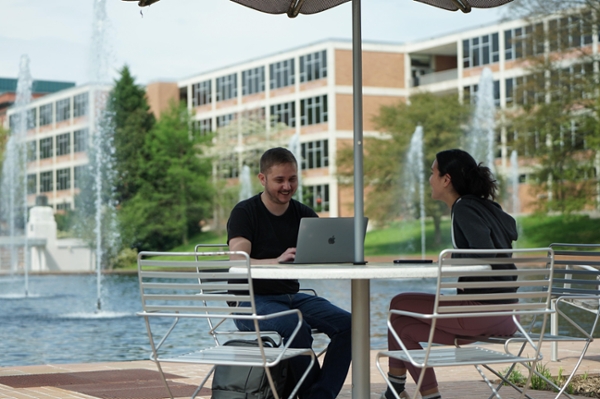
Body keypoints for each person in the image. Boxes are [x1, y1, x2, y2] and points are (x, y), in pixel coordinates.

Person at [382, 149, 519, 399]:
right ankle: (414, 393)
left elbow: (486, 253)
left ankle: (395, 390)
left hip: (477, 313)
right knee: (402, 324)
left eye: (433, 173)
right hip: (506, 315)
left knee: (397, 303)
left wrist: (449, 259)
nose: (429, 179)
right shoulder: (487, 206)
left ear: (447, 179)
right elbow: (508, 231)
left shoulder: (464, 207)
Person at [227, 147, 352, 399]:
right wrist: (277, 261)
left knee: (350, 325)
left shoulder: (304, 215)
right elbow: (238, 261)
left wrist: (340, 254)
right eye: (279, 180)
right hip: (250, 301)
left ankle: (319, 395)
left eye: (292, 179)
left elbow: (322, 255)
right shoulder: (244, 212)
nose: (287, 186)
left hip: (292, 298)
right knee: (294, 324)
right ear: (262, 179)